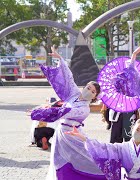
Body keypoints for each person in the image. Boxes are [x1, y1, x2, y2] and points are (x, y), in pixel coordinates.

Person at [30, 47, 105, 179]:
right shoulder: (75, 93)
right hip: (61, 134)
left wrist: (40, 112)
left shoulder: (85, 109)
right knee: (57, 161)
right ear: (84, 87)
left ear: (94, 97)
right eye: (88, 87)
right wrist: (60, 59)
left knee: (82, 160)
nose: (89, 91)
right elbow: (69, 78)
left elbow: (64, 112)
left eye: (93, 92)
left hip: (73, 136)